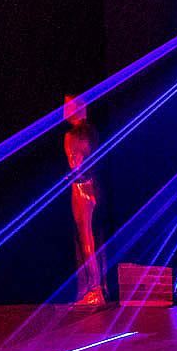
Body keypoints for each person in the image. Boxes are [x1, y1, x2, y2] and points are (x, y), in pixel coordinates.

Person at [63, 95, 105, 306]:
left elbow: (76, 166)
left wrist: (71, 177)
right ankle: (95, 288)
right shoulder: (92, 133)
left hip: (80, 189)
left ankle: (94, 289)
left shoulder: (71, 136)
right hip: (94, 186)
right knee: (93, 239)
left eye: (67, 105)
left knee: (86, 240)